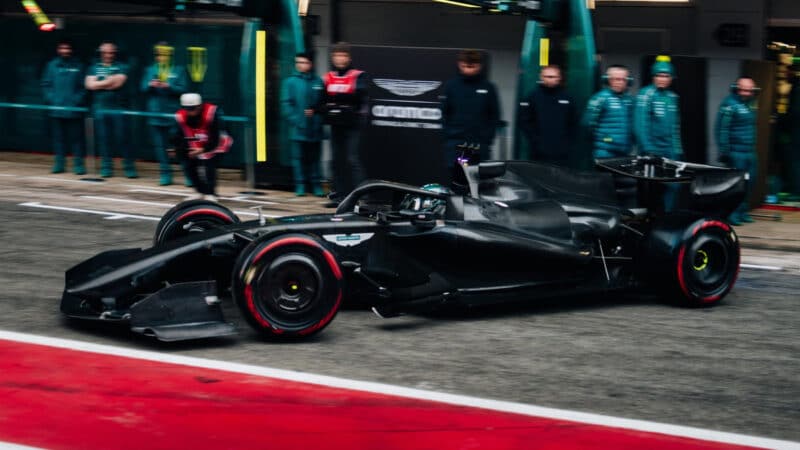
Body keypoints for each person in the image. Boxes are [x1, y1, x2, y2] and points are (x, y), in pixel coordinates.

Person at [441, 49, 501, 180]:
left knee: (479, 180)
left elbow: (494, 115)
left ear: (479, 66)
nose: (468, 69)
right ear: (460, 64)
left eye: (472, 66)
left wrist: (487, 139)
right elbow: (445, 114)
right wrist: (450, 136)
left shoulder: (488, 87)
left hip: (479, 144)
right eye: (465, 66)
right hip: (457, 144)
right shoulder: (451, 86)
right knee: (458, 179)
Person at [634, 56, 683, 211]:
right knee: (651, 188)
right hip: (651, 150)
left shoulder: (673, 97)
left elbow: (675, 127)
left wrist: (677, 149)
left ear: (671, 78)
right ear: (653, 76)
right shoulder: (645, 94)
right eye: (659, 75)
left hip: (670, 150)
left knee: (674, 185)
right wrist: (647, 148)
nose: (662, 79)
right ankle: (651, 218)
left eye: (666, 76)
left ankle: (667, 217)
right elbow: (640, 124)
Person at [322, 42, 368, 207]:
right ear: (332, 58)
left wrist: (337, 100)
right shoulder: (328, 76)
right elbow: (322, 99)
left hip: (353, 124)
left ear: (348, 57)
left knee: (352, 159)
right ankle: (338, 197)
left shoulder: (358, 75)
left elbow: (359, 96)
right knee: (336, 160)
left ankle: (362, 198)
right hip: (335, 124)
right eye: (336, 55)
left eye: (343, 55)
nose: (339, 59)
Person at [85, 41, 135, 178]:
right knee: (104, 139)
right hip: (100, 109)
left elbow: (118, 84)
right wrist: (109, 81)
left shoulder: (122, 66)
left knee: (123, 139)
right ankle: (106, 168)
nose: (108, 55)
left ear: (115, 53)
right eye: (105, 52)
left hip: (119, 109)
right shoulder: (94, 67)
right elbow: (89, 85)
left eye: (111, 52)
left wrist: (99, 83)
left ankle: (129, 168)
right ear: (101, 53)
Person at [141, 42, 188, 186]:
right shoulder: (150, 69)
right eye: (160, 54)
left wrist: (169, 86)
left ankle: (189, 175)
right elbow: (142, 88)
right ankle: (165, 175)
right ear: (156, 55)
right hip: (155, 114)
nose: (162, 56)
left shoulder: (179, 69)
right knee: (160, 147)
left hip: (173, 115)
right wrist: (150, 85)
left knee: (179, 145)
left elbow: (184, 89)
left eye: (165, 54)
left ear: (170, 54)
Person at [171, 93, 232, 201]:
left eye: (192, 109)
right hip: (196, 142)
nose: (189, 112)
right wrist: (176, 148)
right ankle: (200, 191)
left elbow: (215, 137)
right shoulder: (181, 116)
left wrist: (203, 150)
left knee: (209, 166)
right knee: (188, 165)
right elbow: (178, 135)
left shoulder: (212, 114)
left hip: (217, 143)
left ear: (199, 106)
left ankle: (211, 193)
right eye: (187, 109)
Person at [715, 77, 759, 225]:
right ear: (737, 88)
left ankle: (743, 212)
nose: (746, 93)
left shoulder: (751, 103)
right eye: (743, 90)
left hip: (749, 151)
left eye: (749, 90)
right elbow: (722, 129)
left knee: (750, 183)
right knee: (736, 186)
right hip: (736, 152)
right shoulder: (729, 104)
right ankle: (732, 214)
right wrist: (724, 151)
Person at [281, 52, 326, 197]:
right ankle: (300, 185)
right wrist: (297, 121)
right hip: (297, 129)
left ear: (310, 64)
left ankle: (316, 185)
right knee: (298, 158)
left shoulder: (318, 81)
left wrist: (317, 117)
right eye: (298, 62)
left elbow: (323, 103)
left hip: (315, 128)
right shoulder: (290, 82)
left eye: (304, 62)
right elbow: (286, 105)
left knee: (315, 159)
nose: (300, 65)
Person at [517, 64, 578, 167]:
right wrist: (535, 141)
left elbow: (573, 122)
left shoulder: (567, 97)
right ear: (541, 77)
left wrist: (567, 143)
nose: (550, 79)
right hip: (538, 153)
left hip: (561, 153)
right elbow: (524, 121)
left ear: (559, 78)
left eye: (553, 77)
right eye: (547, 76)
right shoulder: (533, 97)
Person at [41, 38, 86, 174]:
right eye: (62, 48)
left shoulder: (79, 65)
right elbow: (46, 84)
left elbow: (84, 87)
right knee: (58, 139)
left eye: (67, 48)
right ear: (58, 50)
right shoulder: (51, 65)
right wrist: (52, 100)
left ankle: (78, 165)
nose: (65, 51)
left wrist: (76, 101)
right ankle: (59, 164)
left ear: (71, 50)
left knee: (76, 139)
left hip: (74, 110)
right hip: (56, 110)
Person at [583, 64, 635, 160]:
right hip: (604, 152)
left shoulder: (630, 99)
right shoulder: (599, 98)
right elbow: (587, 125)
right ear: (607, 80)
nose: (620, 82)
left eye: (623, 79)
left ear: (628, 81)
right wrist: (604, 139)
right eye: (616, 79)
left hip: (624, 151)